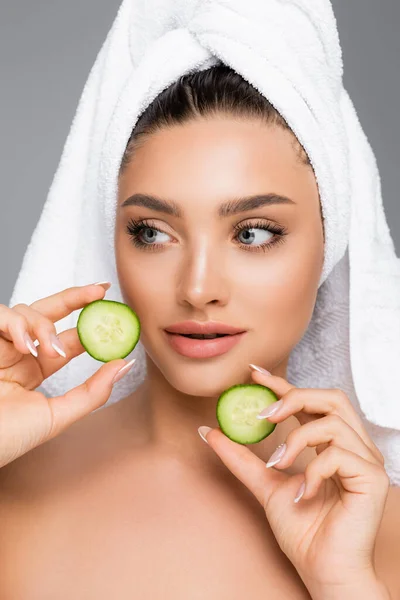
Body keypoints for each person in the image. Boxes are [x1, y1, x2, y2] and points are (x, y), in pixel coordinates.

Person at [0, 63, 397, 599]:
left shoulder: (373, 539)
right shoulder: (12, 482)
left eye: (253, 233)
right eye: (152, 232)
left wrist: (346, 584)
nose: (197, 287)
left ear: (329, 246)